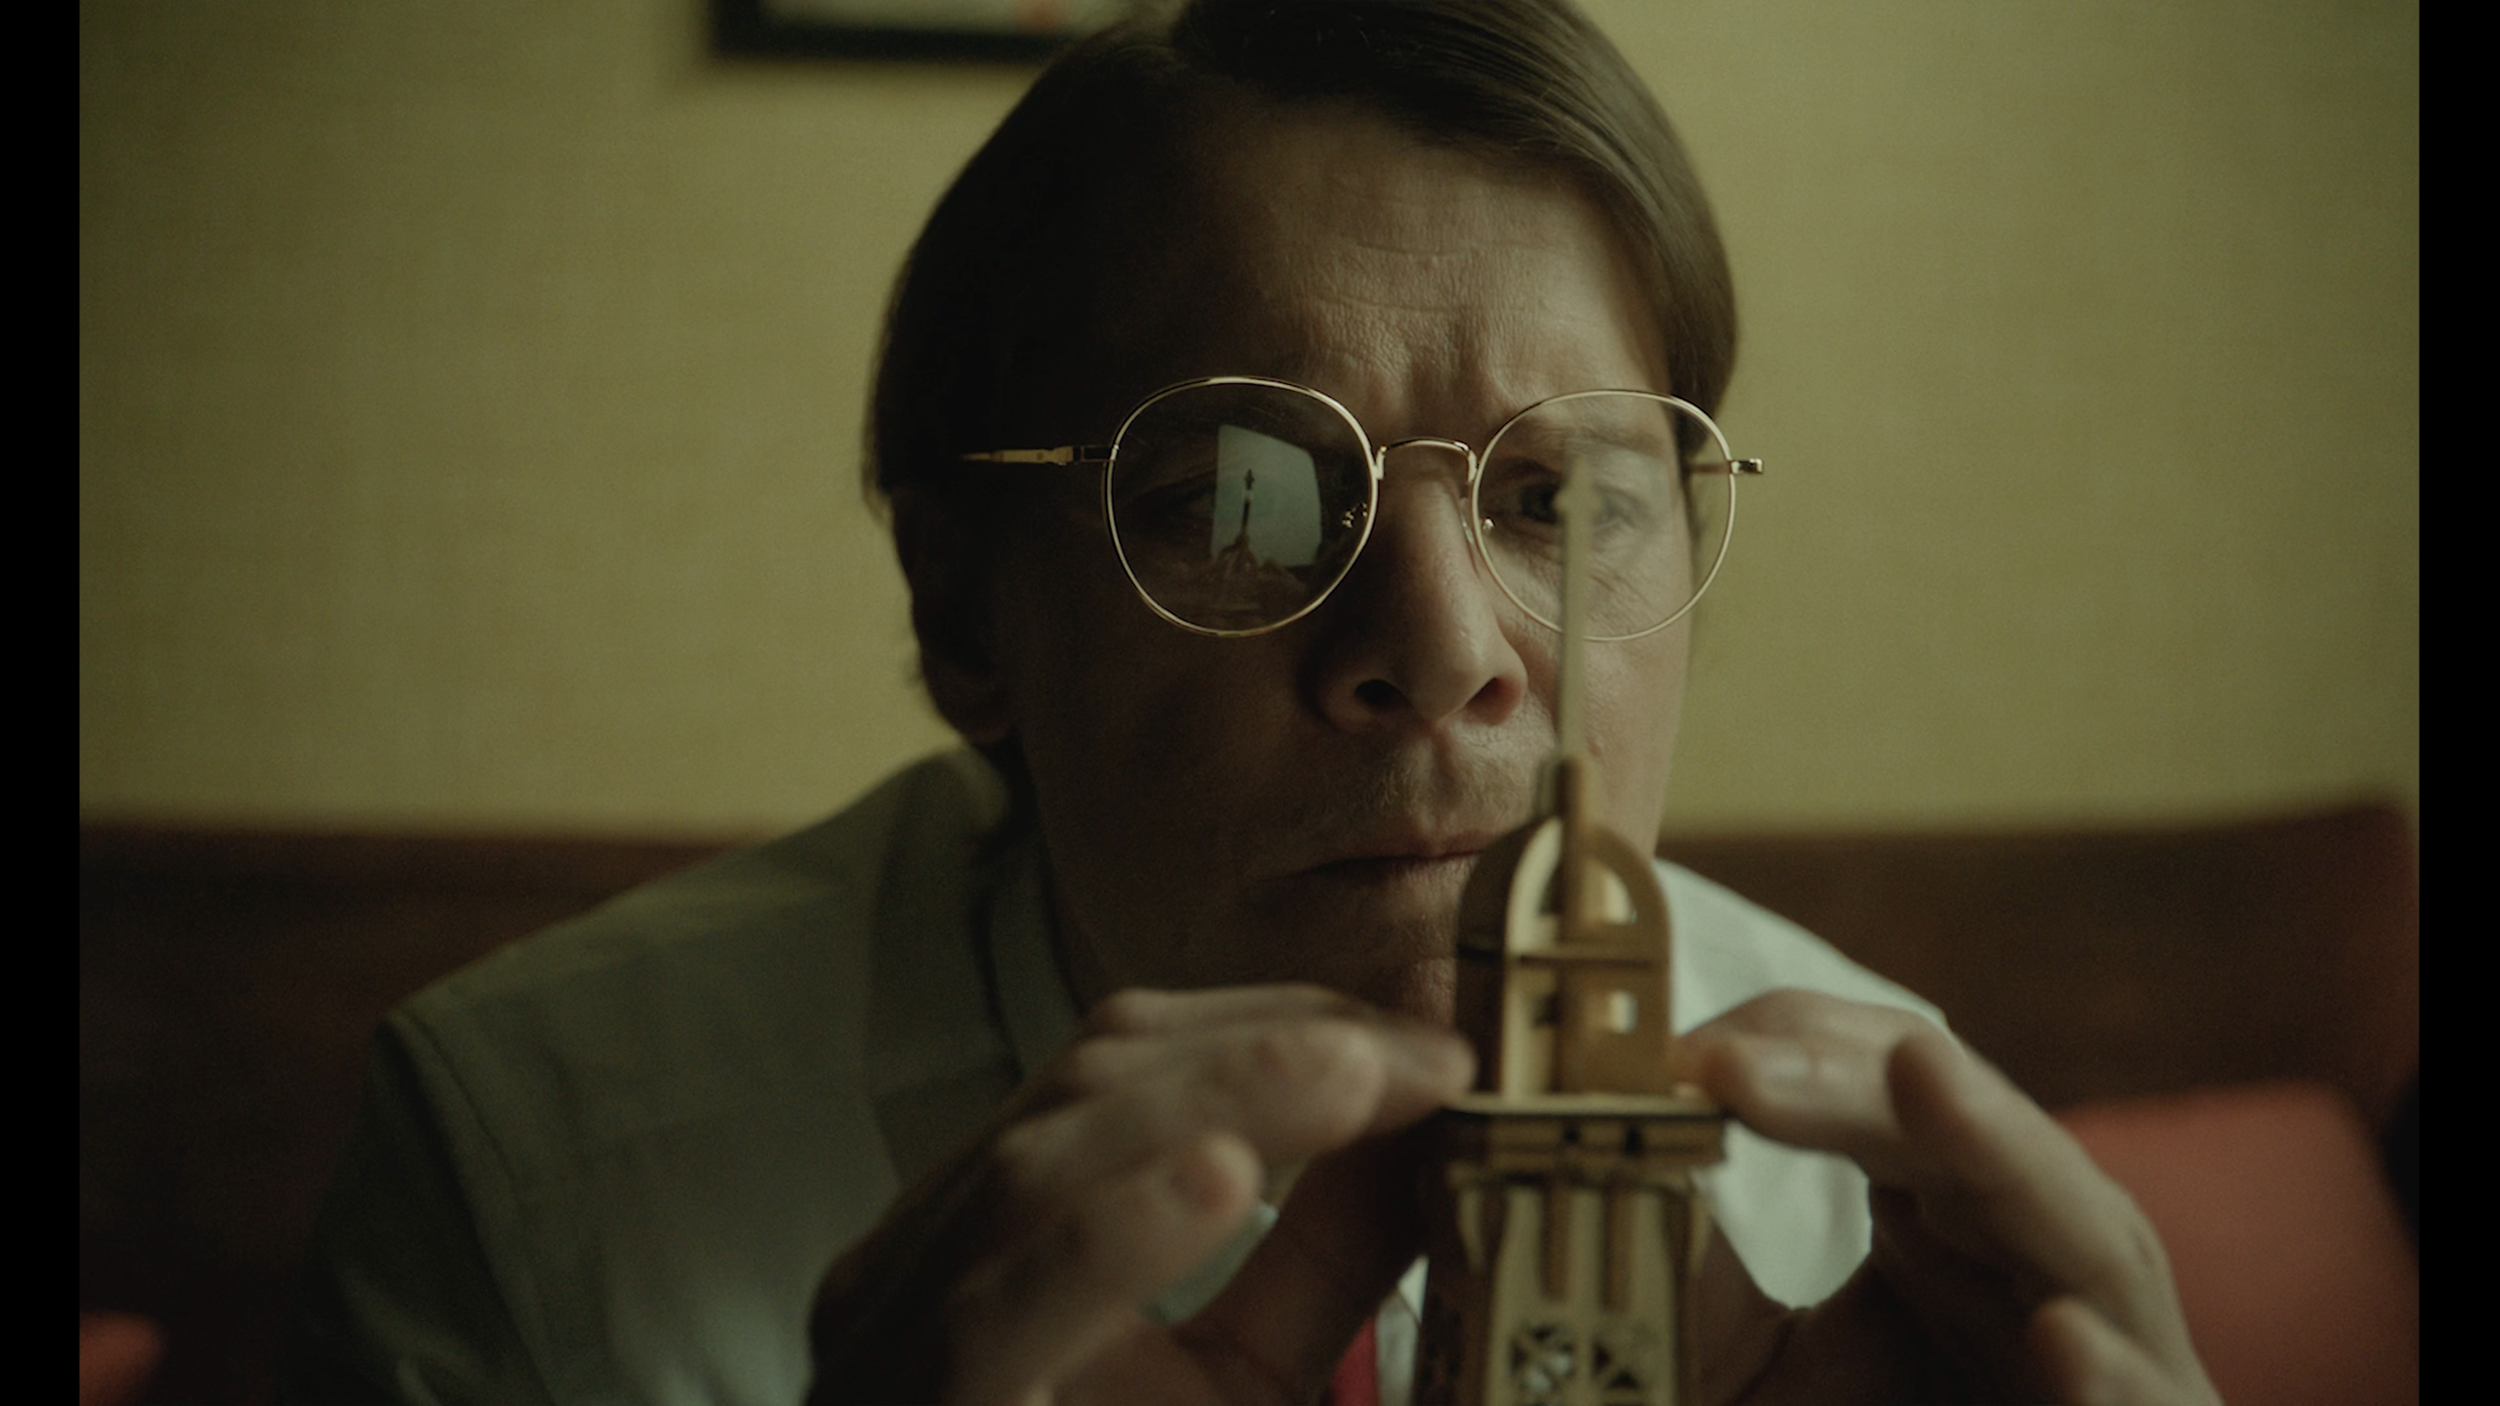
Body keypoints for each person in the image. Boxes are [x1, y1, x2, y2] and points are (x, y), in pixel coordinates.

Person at [285, 2, 2219, 1402]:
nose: (1448, 649)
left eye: (1558, 501)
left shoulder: (1892, 1207)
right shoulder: (531, 1173)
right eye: (1242, 501)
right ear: (966, 611)